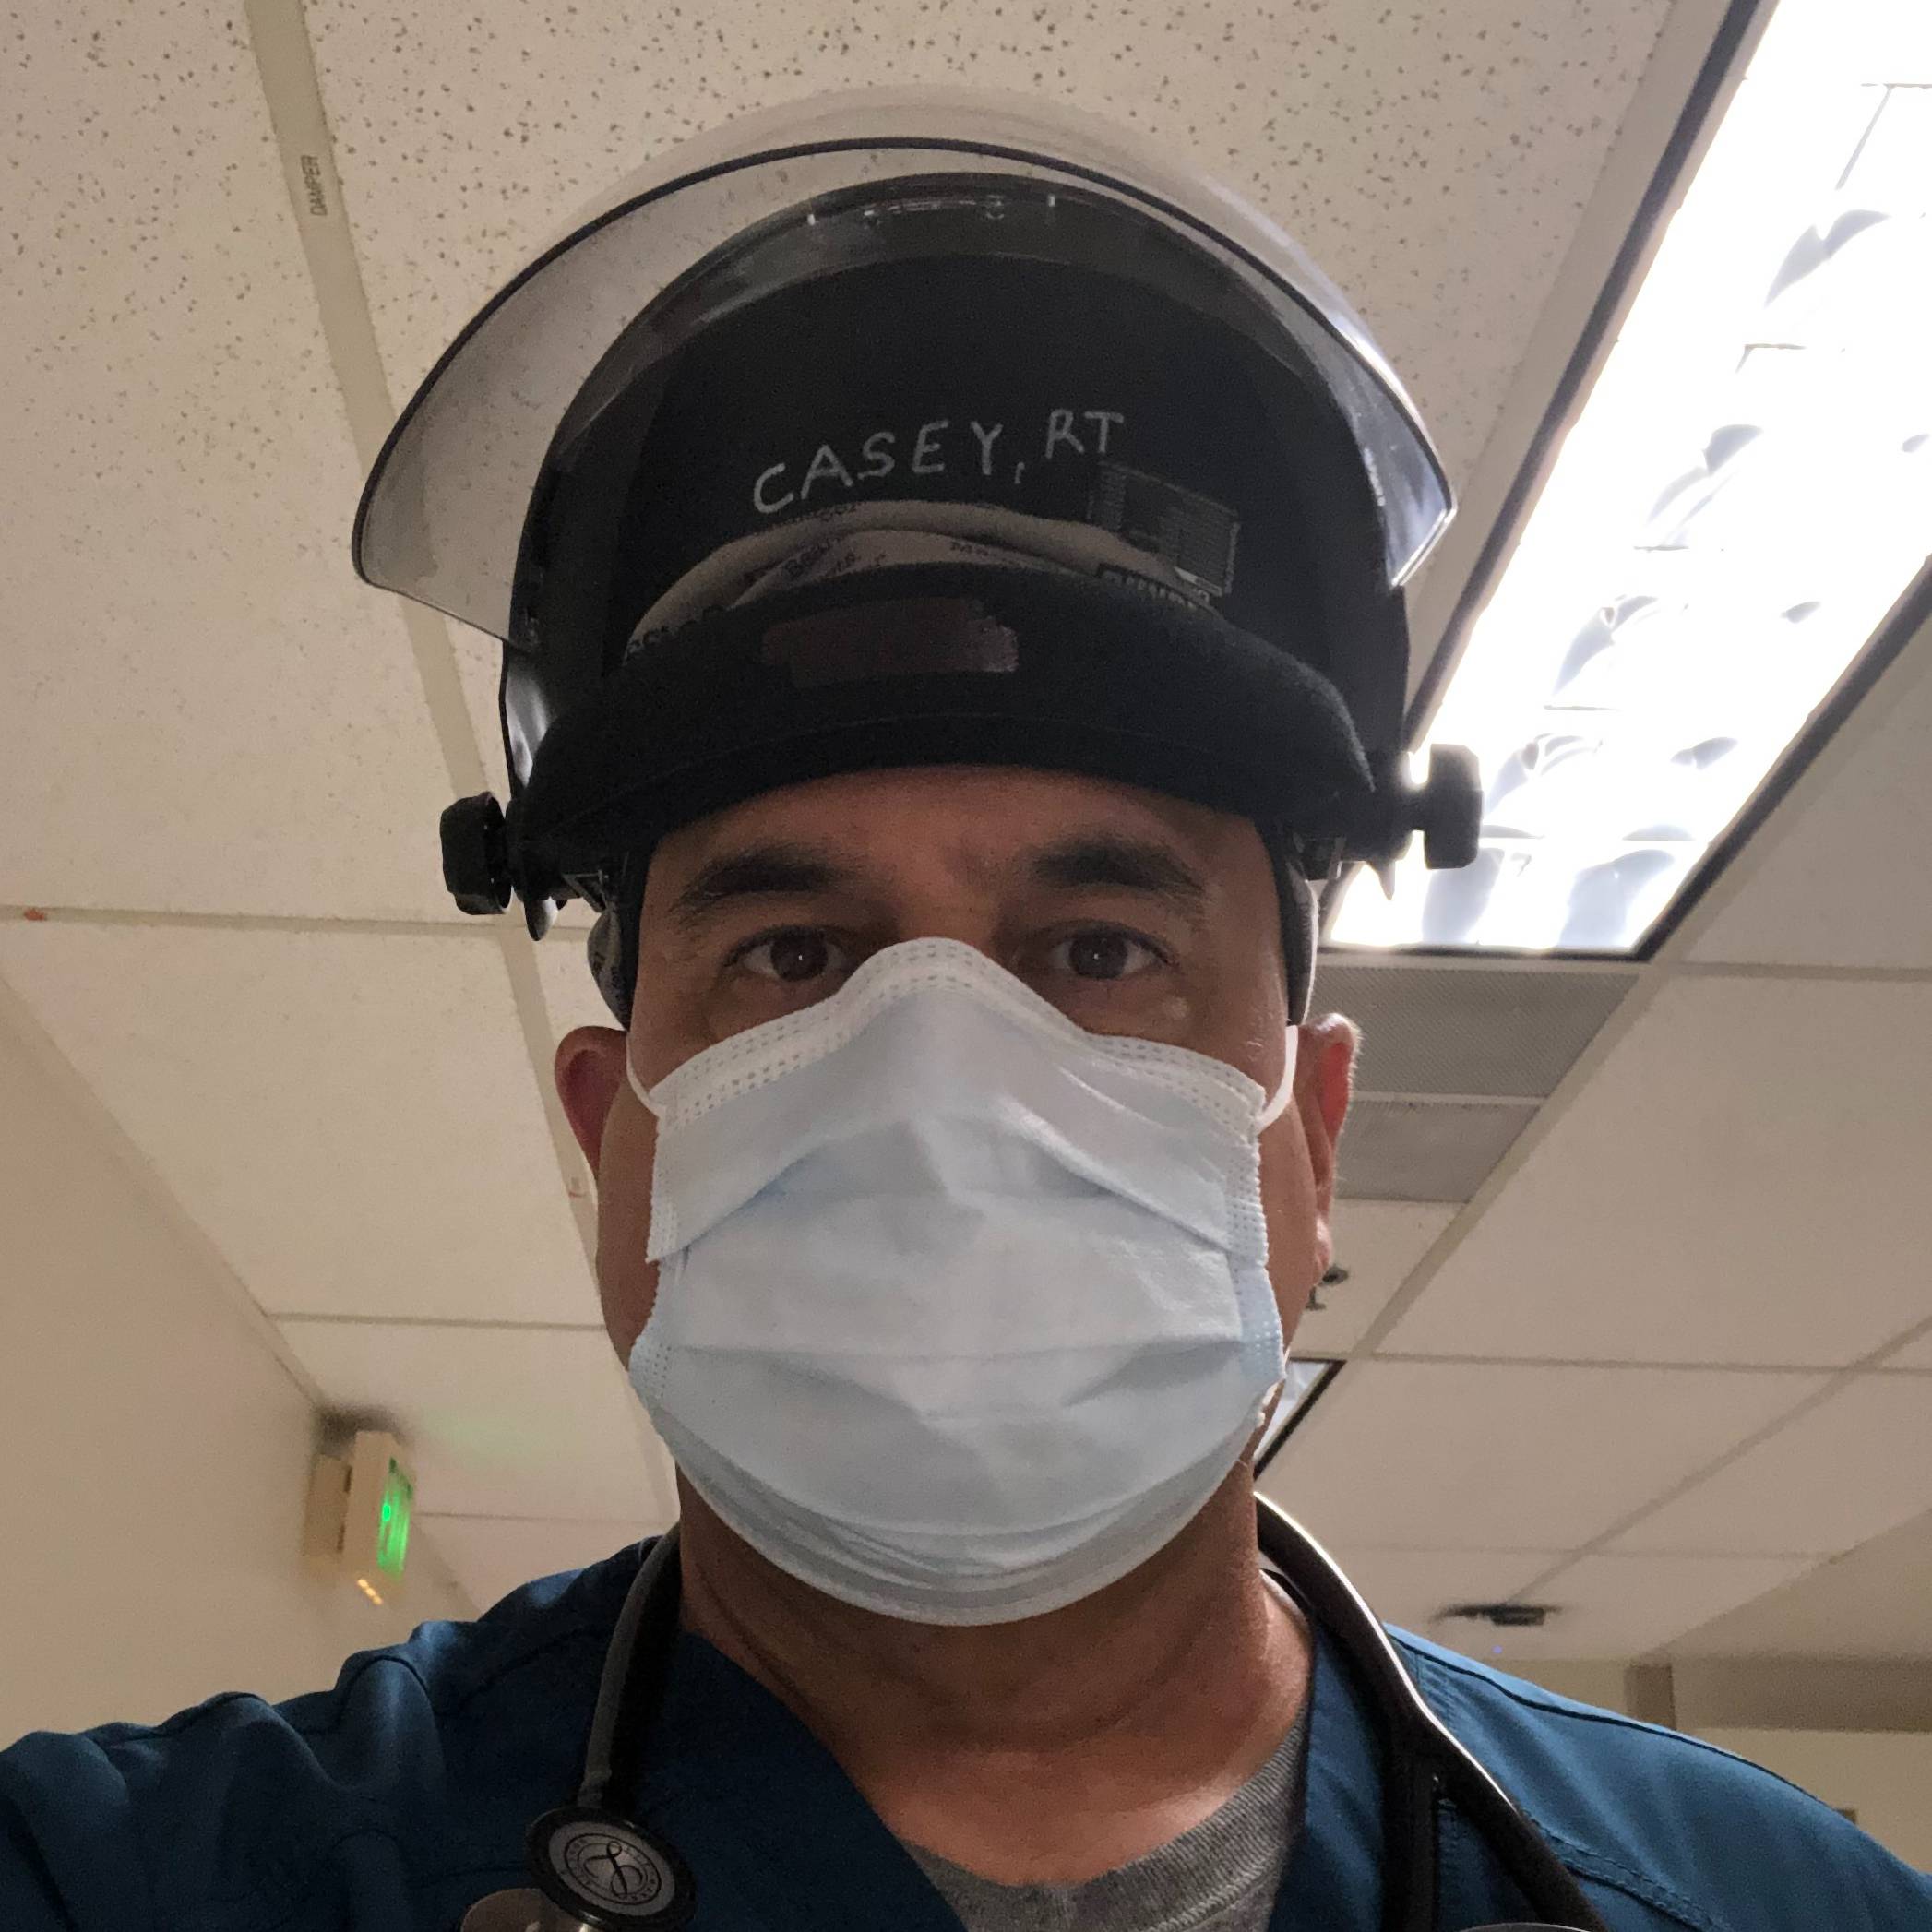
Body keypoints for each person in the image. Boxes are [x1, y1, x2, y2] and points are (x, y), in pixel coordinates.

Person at [4, 90, 1927, 1932]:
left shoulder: (1781, 1906)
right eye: (792, 954)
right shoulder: (148, 1878)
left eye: (1101, 950)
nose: (943, 1078)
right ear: (611, 1139)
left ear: (1314, 1138)